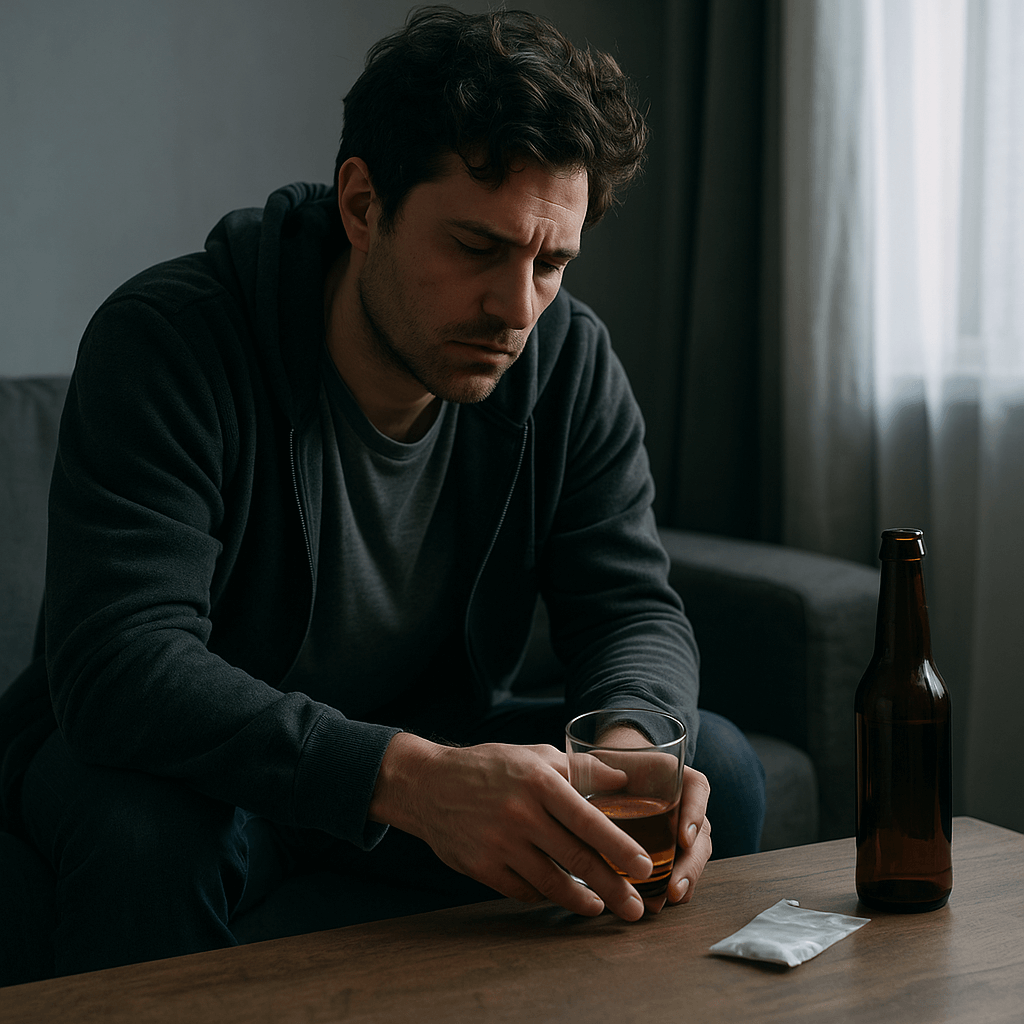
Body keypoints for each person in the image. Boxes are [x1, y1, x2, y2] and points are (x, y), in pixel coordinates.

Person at [0, 5, 765, 977]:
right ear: (362, 205)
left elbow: (627, 604)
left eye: (552, 261)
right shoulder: (172, 340)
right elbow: (121, 662)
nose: (516, 306)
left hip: (422, 738)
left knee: (716, 767)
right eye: (478, 249)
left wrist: (624, 759)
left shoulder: (567, 359)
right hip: (205, 769)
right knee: (142, 826)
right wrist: (406, 776)